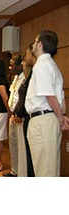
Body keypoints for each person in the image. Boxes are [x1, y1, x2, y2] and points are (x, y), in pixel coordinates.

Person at [25, 30, 68, 177]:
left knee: (44, 169)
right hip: (49, 119)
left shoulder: (41, 65)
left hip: (42, 121)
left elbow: (49, 94)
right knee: (49, 166)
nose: (33, 44)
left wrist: (60, 117)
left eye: (35, 41)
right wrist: (61, 115)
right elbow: (59, 96)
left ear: (40, 44)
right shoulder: (52, 65)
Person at [11, 45, 36, 177]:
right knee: (20, 149)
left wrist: (19, 114)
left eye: (24, 61)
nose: (22, 63)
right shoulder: (25, 79)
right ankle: (20, 173)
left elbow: (27, 99)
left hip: (27, 117)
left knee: (25, 151)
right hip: (20, 116)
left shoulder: (31, 78)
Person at [3, 55, 25, 177]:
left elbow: (22, 100)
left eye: (12, 65)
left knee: (21, 146)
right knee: (13, 145)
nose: (10, 67)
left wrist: (18, 113)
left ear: (20, 65)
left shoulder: (24, 79)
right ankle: (14, 170)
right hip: (12, 115)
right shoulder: (15, 78)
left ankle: (21, 173)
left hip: (19, 117)